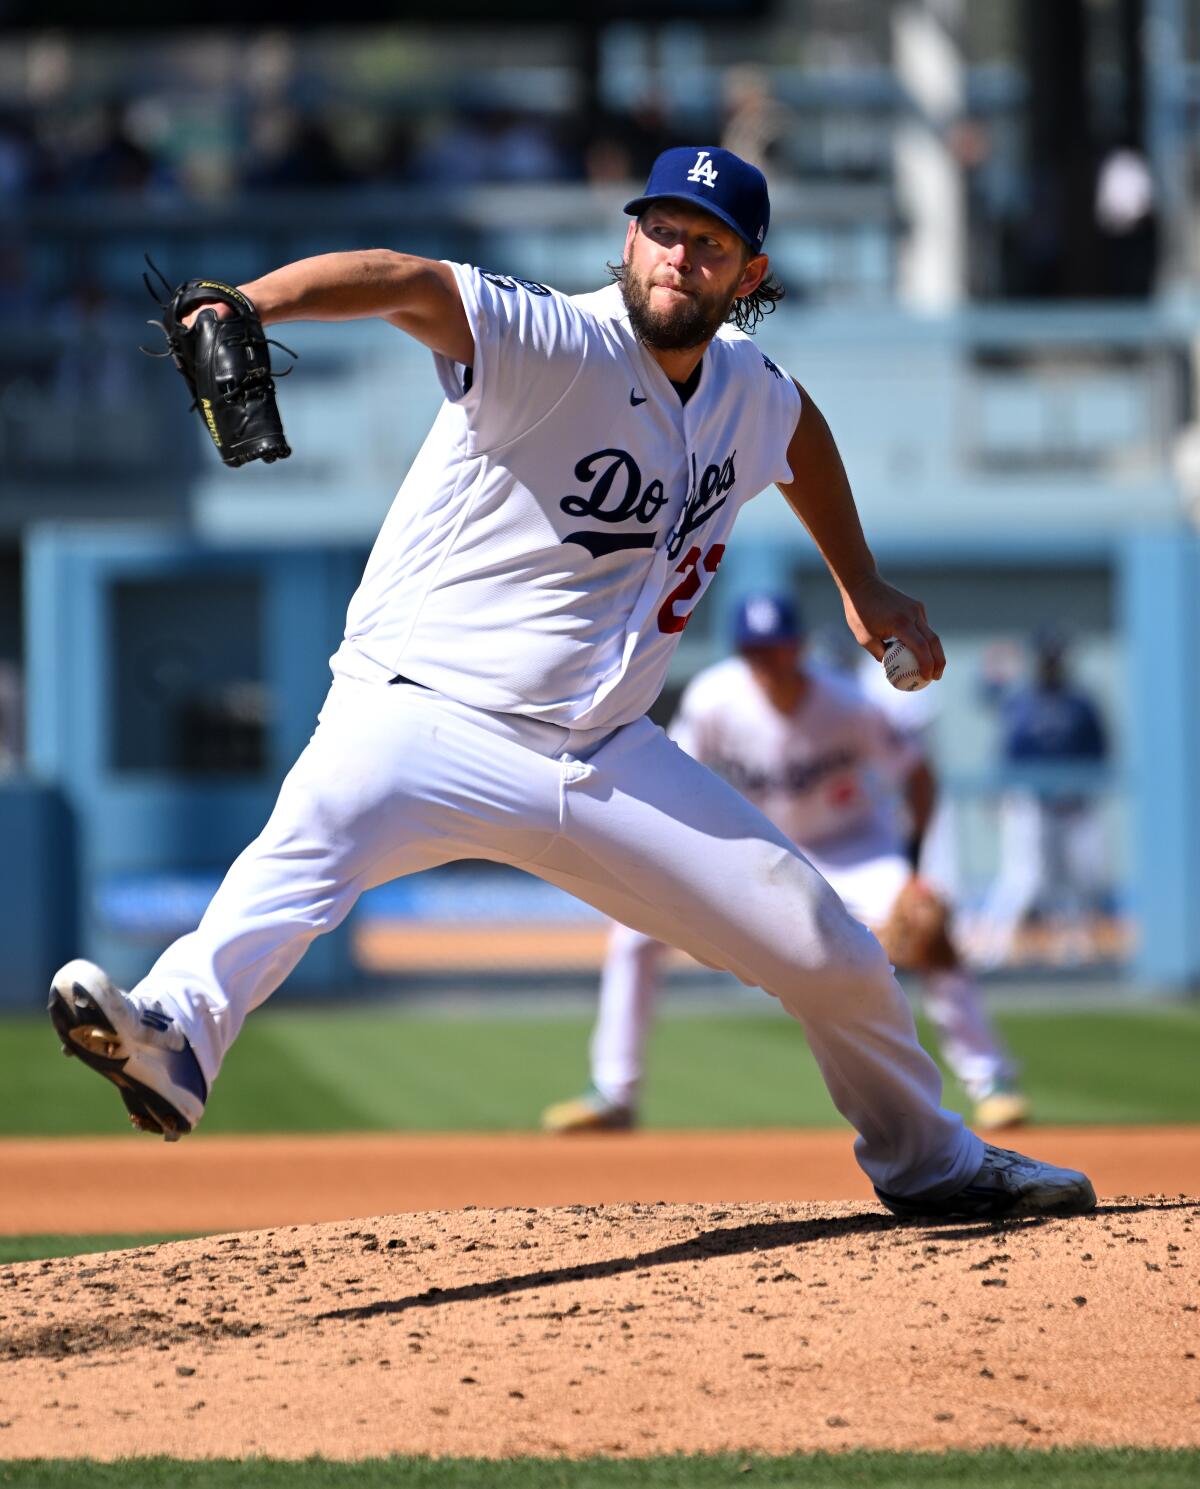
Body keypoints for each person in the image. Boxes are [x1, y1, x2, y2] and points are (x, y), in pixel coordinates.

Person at [49, 145, 1093, 1221]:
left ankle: (932, 1163)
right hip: (424, 710)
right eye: (662, 228)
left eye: (709, 243)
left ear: (750, 273)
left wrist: (860, 580)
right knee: (301, 847)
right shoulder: (556, 335)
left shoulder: (746, 387)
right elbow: (406, 279)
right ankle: (176, 1037)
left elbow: (804, 435)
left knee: (829, 950)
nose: (677, 256)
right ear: (631, 235)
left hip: (605, 753)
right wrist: (249, 302)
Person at [542, 593, 1028, 1138]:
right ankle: (613, 1091)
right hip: (763, 847)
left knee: (930, 924)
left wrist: (913, 869)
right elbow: (668, 775)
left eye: (775, 649)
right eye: (754, 651)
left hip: (852, 849)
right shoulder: (714, 699)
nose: (766, 662)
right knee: (634, 932)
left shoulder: (850, 704)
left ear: (797, 648)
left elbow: (918, 777)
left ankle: (993, 1083)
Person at [976, 629, 1110, 969]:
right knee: (1024, 878)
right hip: (1031, 803)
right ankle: (992, 947)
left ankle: (1077, 951)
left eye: (1057, 657)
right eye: (1048, 657)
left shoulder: (1081, 703)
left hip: (1075, 805)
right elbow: (1003, 744)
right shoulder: (1021, 701)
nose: (1053, 663)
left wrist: (1086, 793)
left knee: (1082, 878)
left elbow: (1100, 751)